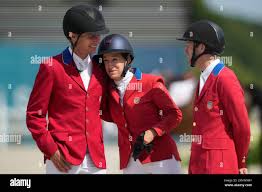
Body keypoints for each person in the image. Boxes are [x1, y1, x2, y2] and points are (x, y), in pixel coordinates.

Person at [26, 5, 111, 174]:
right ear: (72, 36)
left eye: (98, 34)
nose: (97, 39)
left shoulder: (101, 68)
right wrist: (51, 150)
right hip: (63, 159)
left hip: (96, 159)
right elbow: (34, 116)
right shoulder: (51, 67)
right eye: (91, 35)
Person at [93, 34, 182, 174]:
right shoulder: (109, 92)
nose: (110, 65)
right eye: (106, 61)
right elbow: (106, 114)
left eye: (114, 59)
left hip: (160, 158)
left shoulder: (150, 83)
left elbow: (174, 114)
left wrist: (152, 132)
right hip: (130, 160)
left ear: (127, 60)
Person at [176, 20, 251, 174]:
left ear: (201, 47)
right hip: (199, 164)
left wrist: (241, 160)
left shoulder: (225, 78)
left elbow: (242, 126)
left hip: (218, 165)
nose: (185, 50)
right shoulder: (203, 78)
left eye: (189, 45)